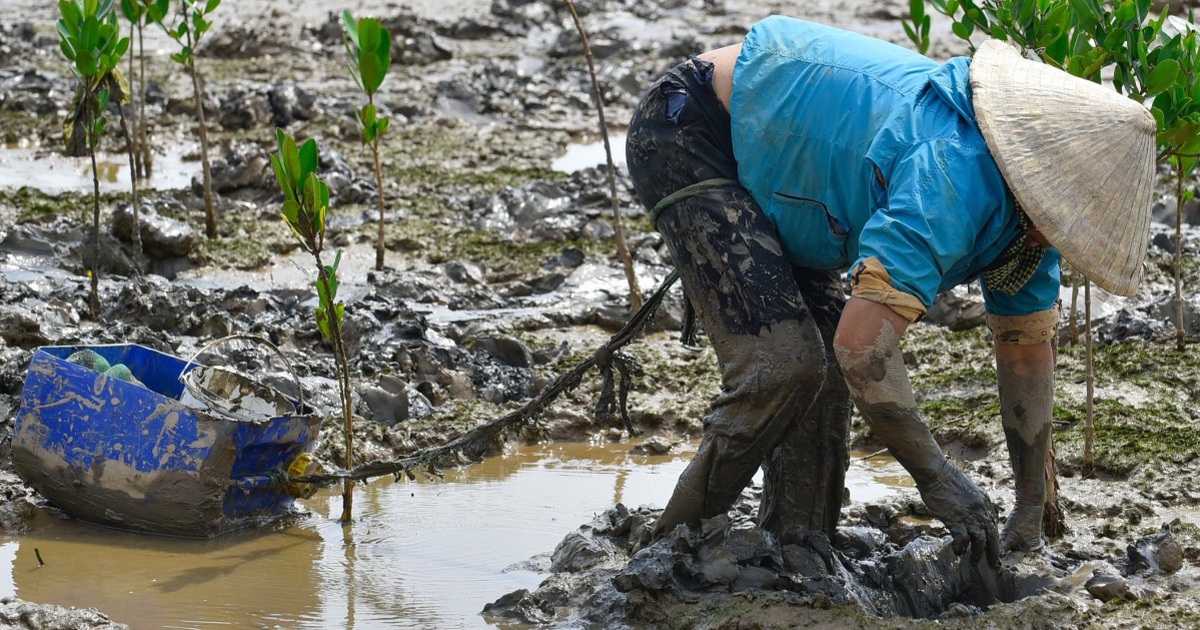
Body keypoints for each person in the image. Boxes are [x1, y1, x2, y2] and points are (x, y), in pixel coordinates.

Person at [625, 16, 1155, 566]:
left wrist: (1028, 508)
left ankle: (795, 546)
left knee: (822, 378)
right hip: (692, 126)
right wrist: (937, 478)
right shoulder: (951, 177)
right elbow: (864, 347)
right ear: (1048, 180)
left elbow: (1024, 358)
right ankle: (668, 551)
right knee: (781, 365)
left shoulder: (1031, 225)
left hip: (793, 184)